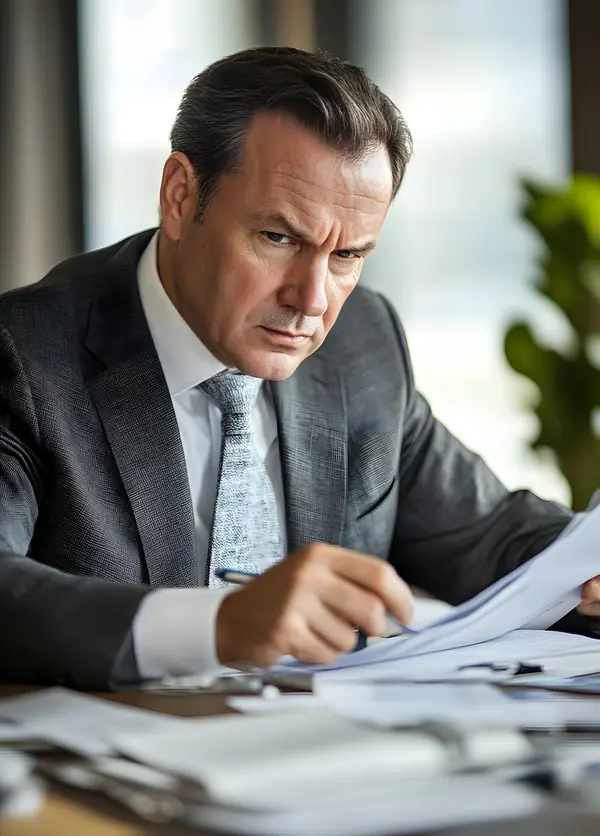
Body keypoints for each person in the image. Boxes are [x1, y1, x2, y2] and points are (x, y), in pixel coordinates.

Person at [1, 47, 599, 690]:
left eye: (347, 254)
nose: (311, 302)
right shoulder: (26, 353)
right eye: (278, 238)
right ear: (179, 197)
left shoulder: (361, 343)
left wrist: (584, 565)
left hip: (325, 766)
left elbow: (491, 534)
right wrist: (220, 624)